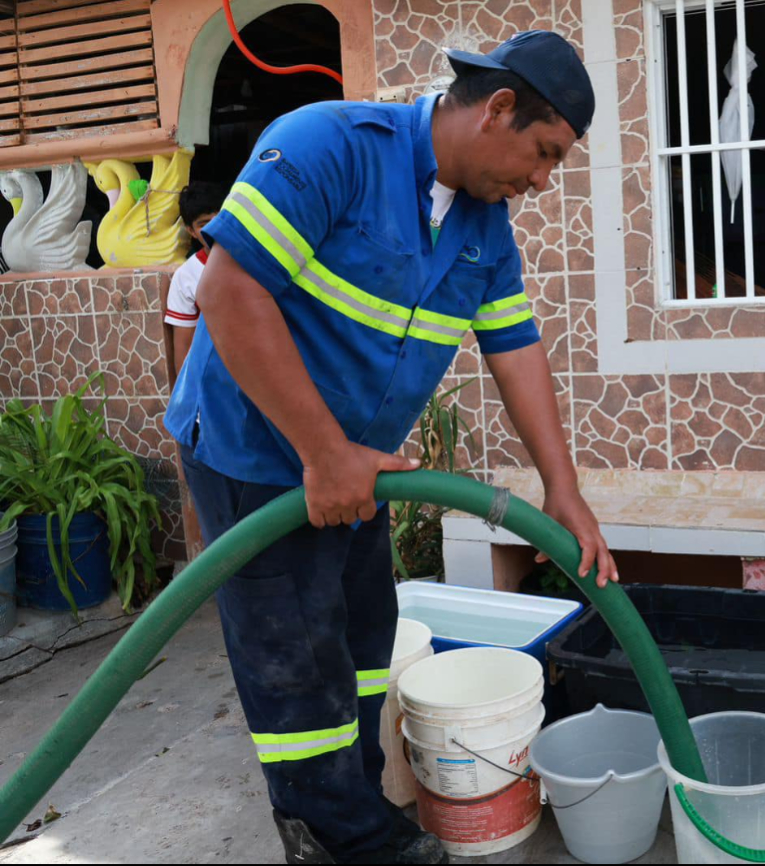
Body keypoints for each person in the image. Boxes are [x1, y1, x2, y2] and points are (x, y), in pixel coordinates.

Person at [164, 31, 616, 864]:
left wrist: (563, 488)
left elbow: (514, 350)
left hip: (356, 464)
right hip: (253, 455)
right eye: (544, 153)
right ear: (500, 109)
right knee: (296, 661)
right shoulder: (328, 144)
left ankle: (356, 803)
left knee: (366, 643)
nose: (542, 181)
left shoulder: (485, 227)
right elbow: (231, 291)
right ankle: (336, 839)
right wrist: (322, 451)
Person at [164, 181, 225, 375]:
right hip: (218, 379)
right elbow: (183, 348)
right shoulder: (186, 277)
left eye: (220, 218)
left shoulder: (259, 258)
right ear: (190, 231)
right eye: (204, 224)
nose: (214, 229)